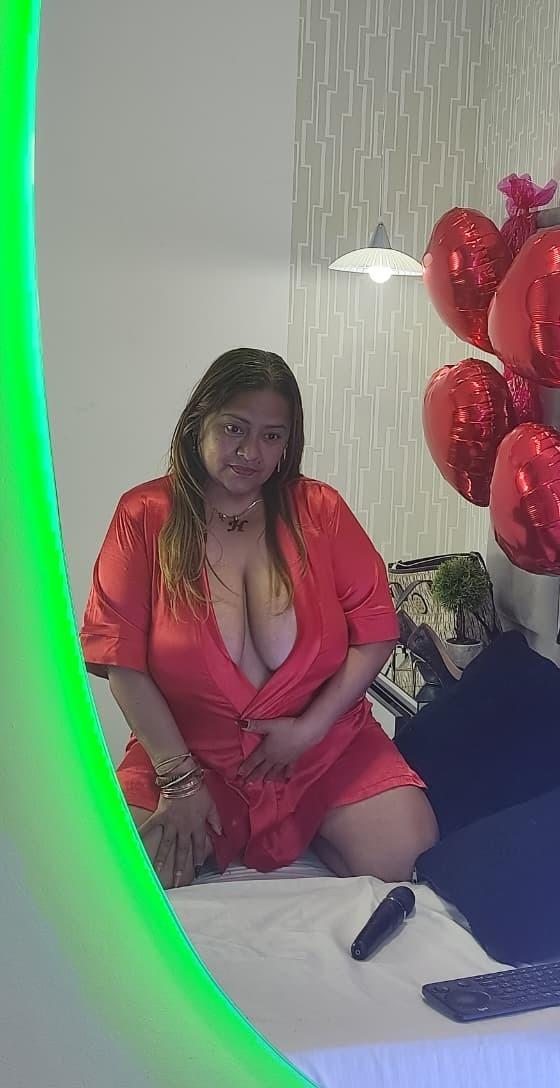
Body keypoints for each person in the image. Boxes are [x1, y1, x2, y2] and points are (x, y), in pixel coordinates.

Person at [81, 348, 438, 890]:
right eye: (234, 428)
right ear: (198, 421)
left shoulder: (320, 510)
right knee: (119, 876)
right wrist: (179, 780)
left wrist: (310, 729)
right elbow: (120, 662)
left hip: (325, 748)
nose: (251, 452)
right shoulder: (143, 515)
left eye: (273, 436)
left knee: (404, 855)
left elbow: (376, 630)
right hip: (191, 756)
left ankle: (313, 821)